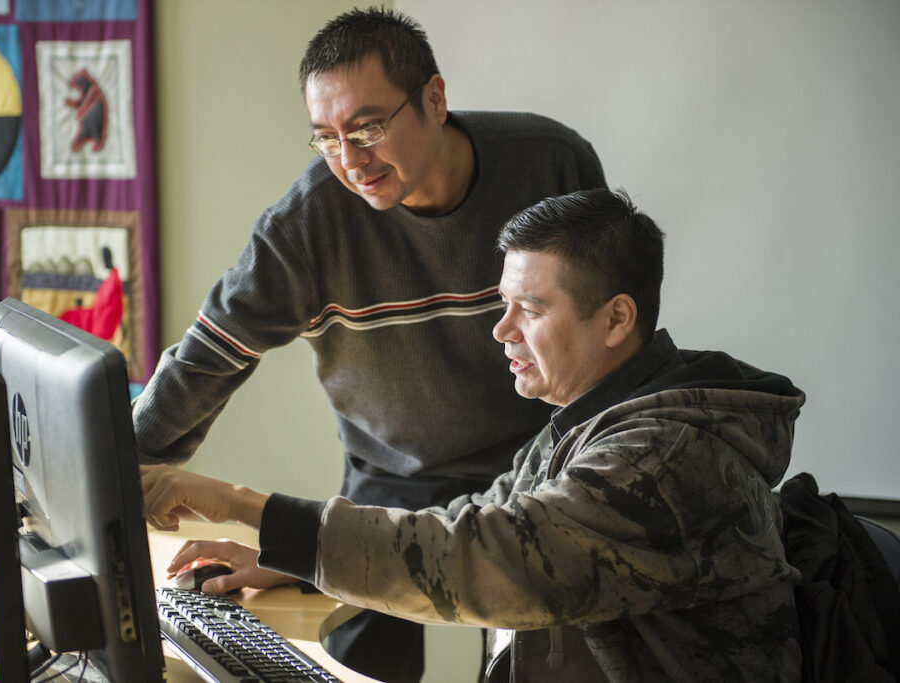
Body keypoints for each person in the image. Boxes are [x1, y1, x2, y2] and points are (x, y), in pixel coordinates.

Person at [141, 188, 805, 681]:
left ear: (615, 319)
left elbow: (480, 558)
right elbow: (468, 521)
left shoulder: (660, 457)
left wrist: (235, 500)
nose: (501, 329)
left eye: (531, 309)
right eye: (503, 303)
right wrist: (287, 556)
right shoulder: (594, 417)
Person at [132, 7, 605, 680]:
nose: (351, 161)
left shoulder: (551, 166)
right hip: (389, 486)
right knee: (345, 666)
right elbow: (208, 358)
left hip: (539, 476)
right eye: (326, 138)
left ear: (435, 100)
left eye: (368, 127)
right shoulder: (307, 223)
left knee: (541, 665)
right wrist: (116, 475)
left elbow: (610, 336)